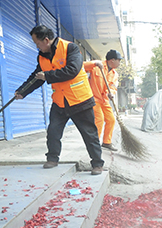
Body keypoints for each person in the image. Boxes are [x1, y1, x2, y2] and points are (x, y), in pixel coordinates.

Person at [15, 25, 104, 175]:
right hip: (60, 101)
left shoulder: (71, 48)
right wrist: (22, 92)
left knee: (89, 134)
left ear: (46, 40)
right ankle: (52, 159)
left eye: (37, 43)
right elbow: (37, 77)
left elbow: (72, 70)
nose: (37, 46)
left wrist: (48, 76)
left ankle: (97, 164)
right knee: (53, 131)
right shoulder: (42, 56)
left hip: (80, 100)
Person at [83, 50, 122, 152]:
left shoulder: (114, 74)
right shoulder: (97, 66)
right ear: (112, 60)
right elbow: (82, 66)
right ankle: (94, 144)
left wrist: (112, 93)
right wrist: (94, 63)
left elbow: (113, 86)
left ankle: (106, 142)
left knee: (111, 120)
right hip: (94, 98)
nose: (119, 63)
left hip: (105, 100)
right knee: (99, 120)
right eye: (119, 60)